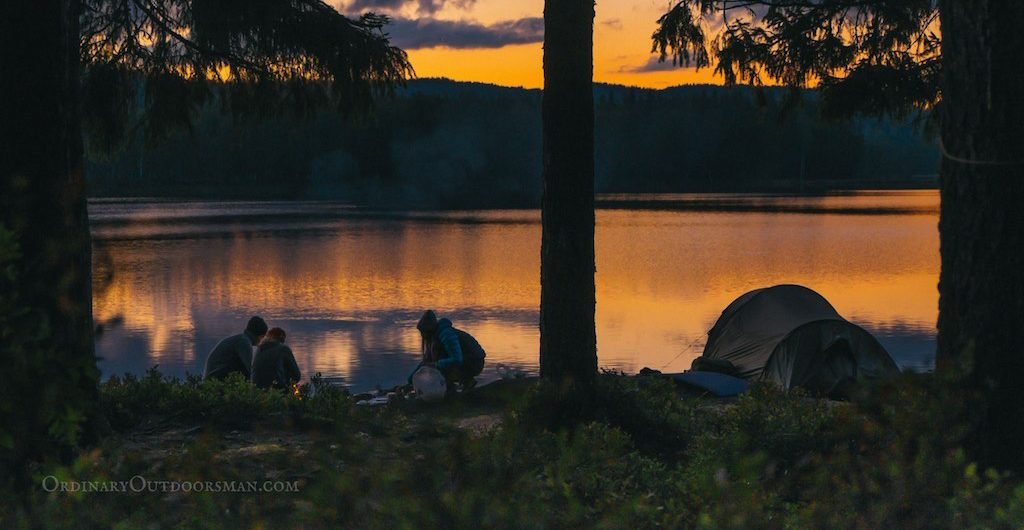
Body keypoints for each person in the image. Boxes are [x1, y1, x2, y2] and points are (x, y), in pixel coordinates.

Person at [407, 310, 486, 392]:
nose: (422, 336)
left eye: (423, 333)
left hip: (474, 363)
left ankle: (460, 384)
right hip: (466, 361)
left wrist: (436, 365)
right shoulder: (435, 339)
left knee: (439, 367)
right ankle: (459, 385)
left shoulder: (447, 335)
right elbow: (426, 362)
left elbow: (457, 359)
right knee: (436, 364)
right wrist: (411, 380)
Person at [203, 316, 267, 380]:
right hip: (216, 380)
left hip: (213, 378)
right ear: (259, 336)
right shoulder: (244, 343)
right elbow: (249, 370)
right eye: (262, 337)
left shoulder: (240, 339)